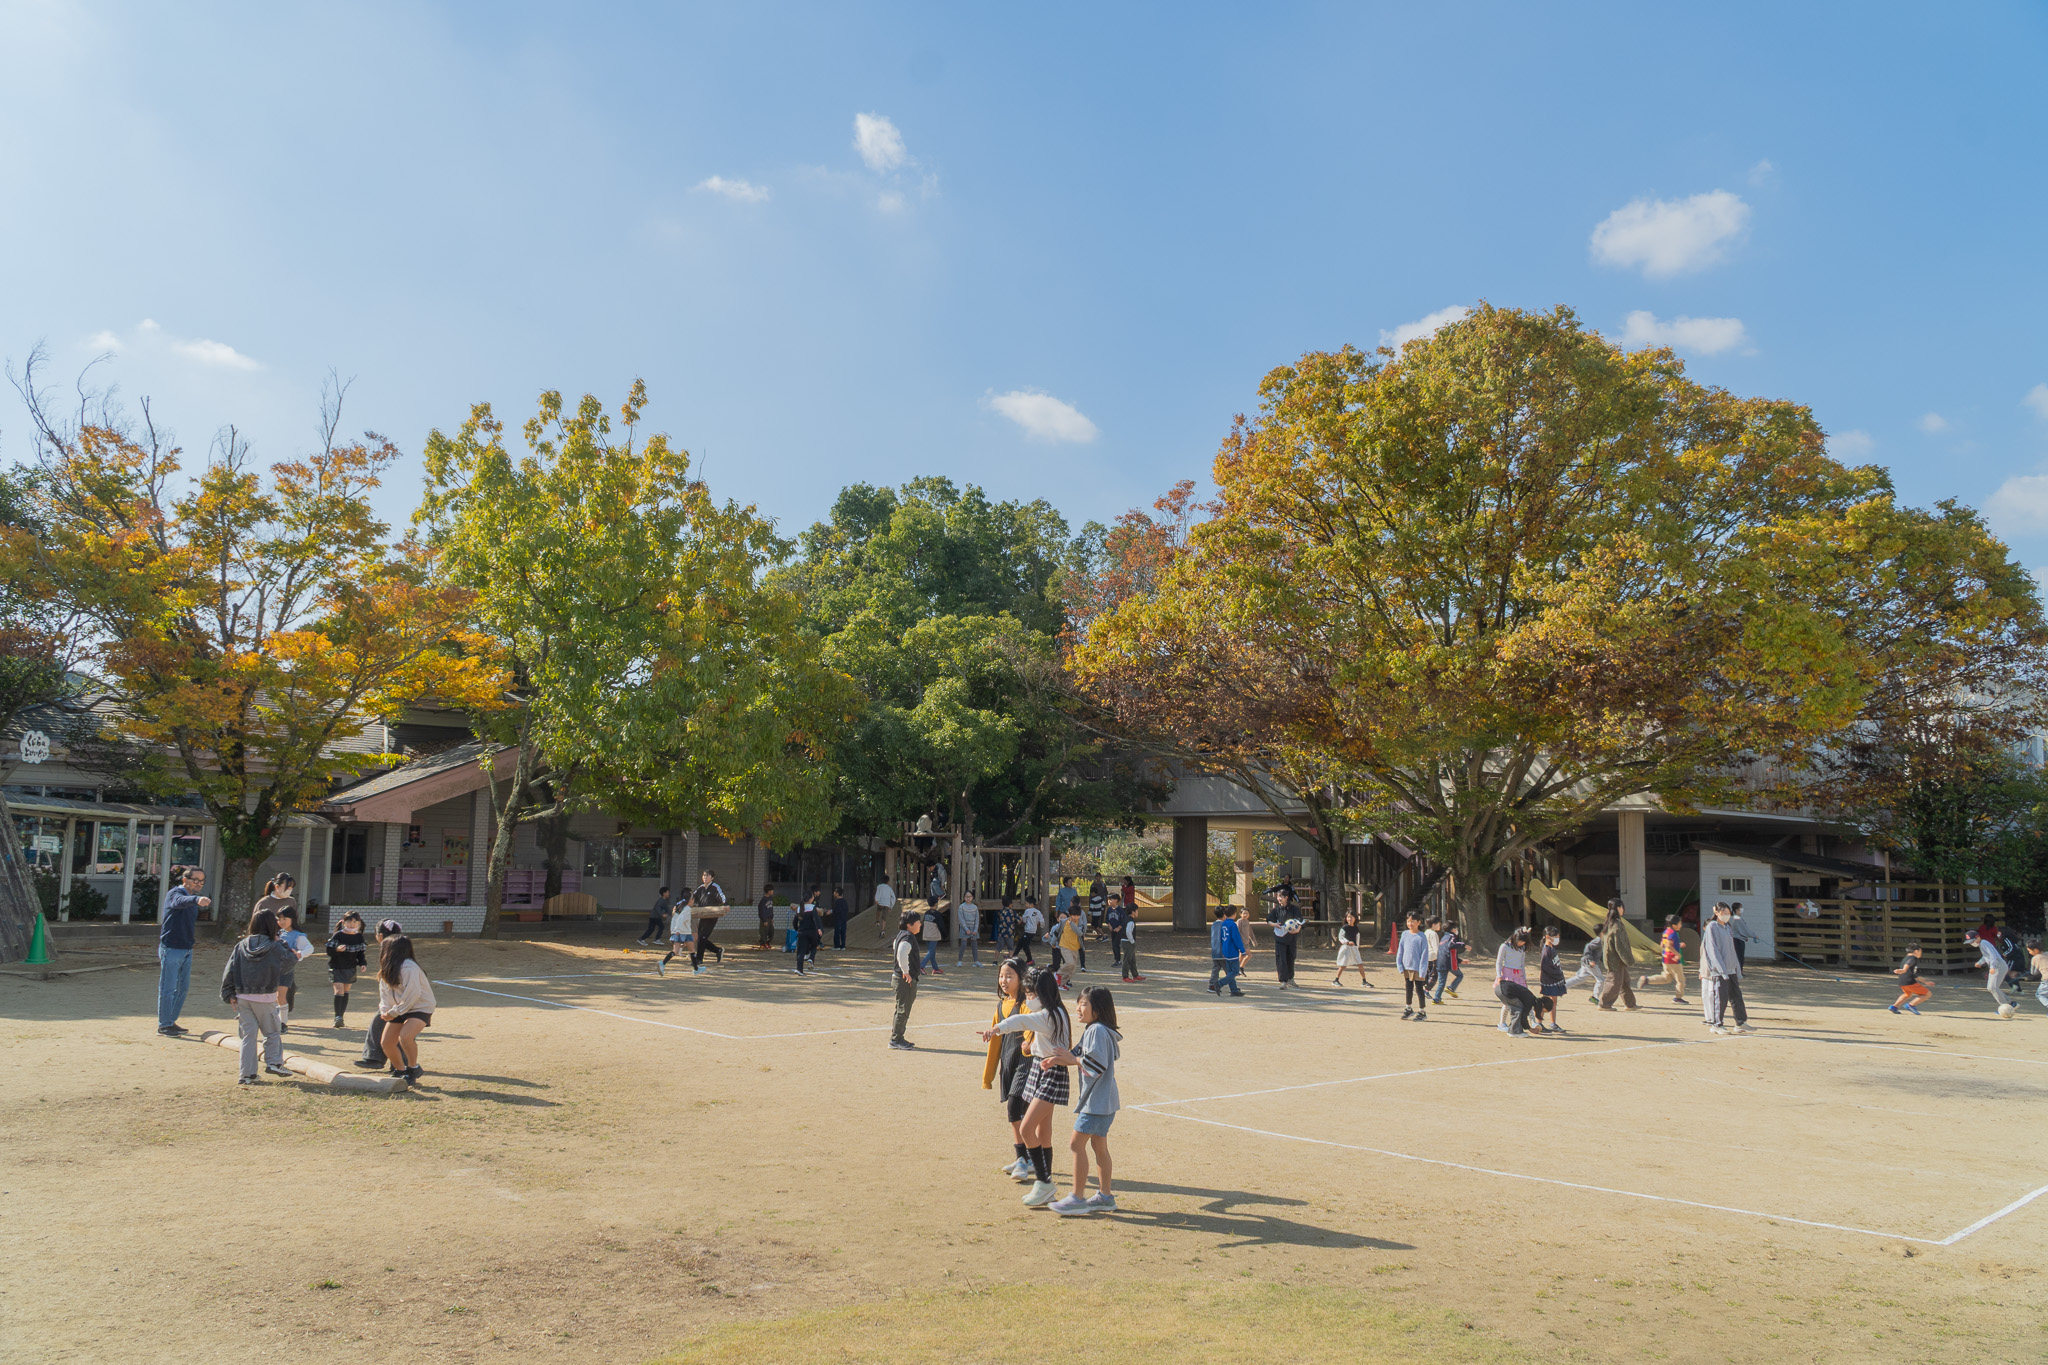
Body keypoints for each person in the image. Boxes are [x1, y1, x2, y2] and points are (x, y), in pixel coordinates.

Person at [981, 967, 1074, 1208]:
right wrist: (1030, 1047)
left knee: (1027, 1129)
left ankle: (1044, 1182)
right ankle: (1047, 1183)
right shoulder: (1056, 1011)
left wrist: (996, 1029)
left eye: (1031, 994)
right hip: (1041, 1067)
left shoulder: (1047, 1015)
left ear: (1042, 993)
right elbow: (1044, 1039)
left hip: (1050, 1073)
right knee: (1043, 1131)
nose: (1028, 998)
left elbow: (1020, 1020)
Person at [1047, 985, 1122, 1216]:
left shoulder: (1097, 1031)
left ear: (1097, 1009)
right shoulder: (1097, 1029)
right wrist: (1056, 1059)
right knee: (1099, 1146)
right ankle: (1105, 1197)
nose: (1078, 1008)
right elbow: (1079, 1056)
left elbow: (1095, 1065)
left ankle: (1077, 1198)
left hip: (1096, 1103)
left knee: (1075, 1144)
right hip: (1104, 1102)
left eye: (1083, 1004)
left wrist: (1072, 1059)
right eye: (1078, 1003)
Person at [220, 908, 296, 1084]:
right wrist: (281, 942)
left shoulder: (241, 945)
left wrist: (229, 993)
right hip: (265, 997)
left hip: (243, 996)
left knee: (248, 1036)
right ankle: (275, 1062)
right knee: (272, 1032)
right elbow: (289, 962)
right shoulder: (275, 946)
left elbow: (229, 970)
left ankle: (246, 1074)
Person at [985, 959, 1035, 1182]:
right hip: (1009, 1063)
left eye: (1009, 976)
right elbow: (995, 1041)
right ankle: (1026, 1157)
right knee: (1016, 1112)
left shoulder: (1028, 1004)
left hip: (1027, 1062)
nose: (1003, 981)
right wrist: (988, 1075)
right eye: (1001, 976)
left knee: (1016, 1106)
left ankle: (1024, 1159)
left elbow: (1034, 1028)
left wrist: (1029, 1044)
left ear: (1021, 978)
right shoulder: (1001, 1005)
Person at [156, 866, 210, 1036]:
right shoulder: (176, 893)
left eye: (202, 881)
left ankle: (170, 1021)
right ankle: (164, 1025)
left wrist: (195, 899)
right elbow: (179, 902)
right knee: (168, 988)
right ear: (184, 880)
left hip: (187, 948)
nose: (199, 884)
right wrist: (196, 900)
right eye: (196, 880)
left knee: (182, 988)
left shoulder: (192, 897)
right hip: (171, 948)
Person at [376, 934, 437, 1084]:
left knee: (405, 1036)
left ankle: (412, 1068)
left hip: (419, 1007)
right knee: (387, 1042)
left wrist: (394, 1012)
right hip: (398, 1008)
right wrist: (385, 1010)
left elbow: (413, 994)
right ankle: (400, 1070)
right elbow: (384, 992)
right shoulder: (387, 967)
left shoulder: (409, 967)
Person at [1698, 901, 1753, 1035]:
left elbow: (1732, 950)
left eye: (1728, 913)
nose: (1726, 915)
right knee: (1720, 998)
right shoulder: (1712, 927)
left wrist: (1737, 969)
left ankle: (1740, 1022)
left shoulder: (1728, 927)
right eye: (1724, 913)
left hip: (1731, 969)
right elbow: (1712, 950)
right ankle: (1717, 1024)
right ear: (1716, 912)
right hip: (1719, 971)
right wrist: (1721, 969)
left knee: (1736, 996)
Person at [1494, 927, 1542, 1037]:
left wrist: (1524, 978)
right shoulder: (1505, 946)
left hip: (1518, 975)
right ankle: (1502, 1023)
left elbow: (1522, 964)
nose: (1522, 944)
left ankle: (1533, 1021)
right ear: (1515, 937)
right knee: (1509, 1002)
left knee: (1527, 999)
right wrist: (1499, 976)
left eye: (1524, 942)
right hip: (1507, 975)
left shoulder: (1522, 949)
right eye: (1521, 941)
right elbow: (1499, 962)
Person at [274, 904, 314, 1032]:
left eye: (284, 919)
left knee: (281, 996)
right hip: (273, 969)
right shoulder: (278, 933)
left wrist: (299, 954)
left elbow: (310, 948)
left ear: (292, 919)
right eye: (279, 919)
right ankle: (275, 1020)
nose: (282, 922)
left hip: (286, 970)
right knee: (273, 997)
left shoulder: (298, 935)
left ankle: (283, 1023)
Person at [889, 910, 924, 1050]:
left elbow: (896, 948)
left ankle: (897, 1037)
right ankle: (896, 1039)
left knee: (901, 1009)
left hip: (899, 978)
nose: (920, 924)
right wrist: (906, 971)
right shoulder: (908, 937)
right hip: (904, 980)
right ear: (909, 924)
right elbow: (902, 952)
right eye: (918, 922)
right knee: (903, 1010)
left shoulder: (901, 935)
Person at [1596, 903, 1640, 1011]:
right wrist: (1629, 959)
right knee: (1613, 982)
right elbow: (1620, 945)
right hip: (1615, 960)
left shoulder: (1609, 923)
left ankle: (1630, 1004)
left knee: (1624, 981)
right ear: (1619, 908)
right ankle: (1604, 1004)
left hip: (1614, 959)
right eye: (1622, 907)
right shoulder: (1617, 925)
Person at [1642, 914, 1688, 1004]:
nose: (1681, 925)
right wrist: (1677, 954)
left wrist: (1678, 945)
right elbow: (1668, 945)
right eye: (1680, 923)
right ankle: (1678, 998)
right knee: (1681, 980)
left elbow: (1662, 945)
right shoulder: (1673, 933)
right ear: (1674, 925)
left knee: (1666, 978)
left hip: (1666, 960)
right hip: (1674, 961)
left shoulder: (1666, 932)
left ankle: (1647, 980)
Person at [1965, 929, 2014, 1014]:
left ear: (1978, 938)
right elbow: (1986, 956)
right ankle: (2010, 1003)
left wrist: (1992, 967)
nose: (1972, 943)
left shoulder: (1984, 943)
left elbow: (1992, 955)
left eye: (1972, 941)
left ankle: (2005, 1005)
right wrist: (1980, 962)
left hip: (1998, 966)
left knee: (1993, 987)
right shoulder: (1982, 944)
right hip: (1996, 966)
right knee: (1991, 988)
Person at [689, 870, 727, 968]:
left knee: (702, 937)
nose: (705, 877)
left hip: (712, 916)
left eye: (707, 876)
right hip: (703, 915)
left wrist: (722, 902)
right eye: (704, 875)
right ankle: (718, 950)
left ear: (712, 878)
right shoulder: (701, 888)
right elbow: (692, 897)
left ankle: (699, 959)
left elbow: (723, 898)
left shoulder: (715, 887)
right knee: (700, 937)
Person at [1268, 884, 1303, 988]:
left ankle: (1290, 978)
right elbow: (1269, 921)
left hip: (1291, 937)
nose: (1279, 899)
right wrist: (1274, 924)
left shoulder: (1294, 909)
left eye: (1281, 897)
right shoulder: (1276, 910)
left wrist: (1297, 929)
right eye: (1278, 897)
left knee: (1291, 958)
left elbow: (1300, 920)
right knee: (1281, 959)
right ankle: (1283, 980)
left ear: (1286, 897)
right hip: (1279, 938)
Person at [1535, 924, 1568, 1033]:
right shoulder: (1546, 951)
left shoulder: (1551, 949)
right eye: (1556, 936)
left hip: (1554, 980)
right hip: (1549, 981)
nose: (1558, 939)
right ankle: (1539, 1023)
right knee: (1546, 1002)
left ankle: (1553, 1024)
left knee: (1553, 1002)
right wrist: (1558, 975)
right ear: (1548, 937)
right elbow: (1546, 967)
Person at [1397, 913, 1429, 1020]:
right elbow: (1400, 950)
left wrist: (1422, 970)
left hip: (1418, 967)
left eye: (1412, 921)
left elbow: (1425, 954)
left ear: (1419, 922)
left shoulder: (1422, 936)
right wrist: (1400, 965)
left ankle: (1422, 1011)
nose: (1410, 924)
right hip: (1407, 966)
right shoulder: (1405, 934)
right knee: (1408, 987)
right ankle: (1408, 1008)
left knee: (1419, 989)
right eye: (1408, 921)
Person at [1209, 904, 1246, 996]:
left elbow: (1221, 938)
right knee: (1235, 971)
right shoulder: (1232, 925)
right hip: (1232, 951)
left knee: (1227, 971)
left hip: (1224, 951)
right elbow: (1236, 939)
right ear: (1234, 914)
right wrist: (1242, 950)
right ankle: (1219, 983)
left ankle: (1233, 990)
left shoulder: (1223, 924)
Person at [1888, 941, 1930, 1015]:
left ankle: (1894, 1007)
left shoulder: (1905, 958)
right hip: (1909, 981)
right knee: (1927, 994)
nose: (1921, 953)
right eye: (1920, 951)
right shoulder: (1913, 958)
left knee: (1907, 994)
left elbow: (1913, 974)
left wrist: (1925, 982)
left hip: (1902, 981)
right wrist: (1904, 969)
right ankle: (1911, 1005)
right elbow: (1908, 963)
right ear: (1917, 951)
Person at [1332, 907, 1371, 987]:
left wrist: (1357, 947)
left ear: (1355, 918)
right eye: (1348, 917)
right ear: (1346, 918)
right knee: (1343, 964)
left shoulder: (1356, 928)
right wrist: (1347, 942)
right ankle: (1336, 980)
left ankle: (1364, 981)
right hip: (1346, 948)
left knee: (1360, 964)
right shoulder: (1344, 928)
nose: (1350, 919)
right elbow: (1340, 937)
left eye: (1351, 917)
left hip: (1354, 948)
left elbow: (1357, 939)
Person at [657, 899, 694, 977]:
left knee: (675, 951)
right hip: (680, 932)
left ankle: (662, 963)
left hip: (676, 932)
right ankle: (697, 968)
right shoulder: (683, 912)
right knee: (691, 949)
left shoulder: (676, 914)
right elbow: (681, 922)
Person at [1432, 919, 1465, 1002]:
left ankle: (1436, 999)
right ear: (1453, 929)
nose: (1457, 930)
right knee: (1460, 975)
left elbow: (1447, 952)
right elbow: (1451, 945)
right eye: (1456, 929)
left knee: (1441, 983)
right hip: (1449, 963)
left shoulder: (1443, 938)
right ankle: (1451, 988)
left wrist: (1460, 960)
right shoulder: (1452, 936)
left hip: (1440, 962)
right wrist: (1462, 945)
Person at [792, 893, 824, 975]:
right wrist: (819, 928)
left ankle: (799, 969)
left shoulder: (799, 909)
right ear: (811, 899)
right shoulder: (812, 907)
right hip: (812, 932)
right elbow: (815, 918)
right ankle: (811, 958)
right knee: (814, 945)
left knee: (800, 952)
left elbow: (795, 921)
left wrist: (797, 929)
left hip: (802, 932)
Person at [955, 890, 982, 967]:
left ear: (972, 897)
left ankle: (976, 961)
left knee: (974, 945)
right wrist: (966, 929)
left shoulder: (975, 907)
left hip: (973, 927)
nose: (968, 898)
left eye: (969, 897)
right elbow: (961, 919)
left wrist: (975, 929)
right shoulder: (961, 907)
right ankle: (960, 961)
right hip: (964, 928)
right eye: (966, 897)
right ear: (964, 897)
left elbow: (977, 919)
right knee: (963, 944)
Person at [1118, 903, 1144, 982]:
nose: (1137, 912)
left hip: (1125, 941)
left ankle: (1135, 975)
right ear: (1133, 912)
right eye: (1136, 911)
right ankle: (1125, 976)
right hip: (1128, 942)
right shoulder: (1130, 921)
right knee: (1127, 959)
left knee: (1132, 959)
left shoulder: (1126, 919)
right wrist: (1132, 941)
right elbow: (1128, 932)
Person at [919, 900, 945, 974]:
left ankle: (935, 968)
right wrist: (944, 934)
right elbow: (941, 925)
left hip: (926, 934)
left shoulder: (926, 913)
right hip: (933, 935)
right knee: (930, 952)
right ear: (936, 904)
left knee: (932, 952)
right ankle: (921, 966)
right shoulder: (937, 914)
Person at [871, 873, 897, 943]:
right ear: (888, 881)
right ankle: (882, 930)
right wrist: (891, 906)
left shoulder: (879, 886)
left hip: (880, 903)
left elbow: (878, 893)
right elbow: (893, 897)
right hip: (887, 904)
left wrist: (876, 899)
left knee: (878, 911)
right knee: (884, 918)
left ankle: (877, 921)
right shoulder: (889, 888)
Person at [1018, 895, 1043, 965]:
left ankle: (1030, 959)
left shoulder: (1027, 911)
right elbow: (1042, 921)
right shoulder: (1038, 912)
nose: (1025, 905)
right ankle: (1014, 955)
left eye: (1026, 903)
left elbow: (1025, 920)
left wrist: (1021, 918)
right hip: (1033, 931)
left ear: (1031, 904)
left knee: (1024, 945)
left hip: (1028, 930)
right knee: (1021, 943)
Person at [1729, 902, 1753, 968]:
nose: (1742, 909)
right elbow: (1744, 930)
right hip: (1737, 940)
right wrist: (1753, 935)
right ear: (1736, 909)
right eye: (1740, 908)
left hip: (1740, 939)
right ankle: (1739, 971)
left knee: (1740, 956)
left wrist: (1745, 936)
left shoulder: (1738, 918)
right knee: (1739, 956)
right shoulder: (1737, 919)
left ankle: (1739, 970)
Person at [756, 884, 777, 949]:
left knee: (771, 931)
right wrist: (764, 920)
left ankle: (768, 942)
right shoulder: (763, 900)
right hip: (765, 918)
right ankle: (763, 943)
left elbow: (771, 909)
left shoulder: (770, 898)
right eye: (772, 890)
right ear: (769, 891)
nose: (773, 892)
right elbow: (762, 910)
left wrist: (772, 918)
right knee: (763, 931)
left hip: (769, 918)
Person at [830, 885, 850, 950]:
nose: (834, 893)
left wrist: (831, 912)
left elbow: (836, 910)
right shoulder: (845, 901)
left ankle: (837, 946)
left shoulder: (837, 902)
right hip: (844, 919)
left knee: (837, 932)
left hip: (838, 919)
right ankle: (843, 946)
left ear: (837, 893)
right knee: (843, 933)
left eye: (835, 892)